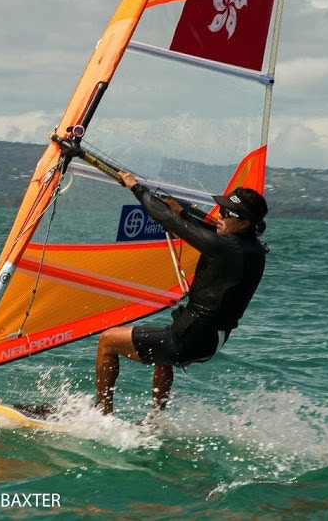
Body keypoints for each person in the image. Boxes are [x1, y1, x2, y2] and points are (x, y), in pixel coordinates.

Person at [94, 174, 269, 415]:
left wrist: (136, 188)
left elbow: (166, 219)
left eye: (229, 214)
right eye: (222, 209)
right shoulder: (255, 249)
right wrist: (183, 212)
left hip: (189, 338)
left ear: (244, 224)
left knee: (107, 341)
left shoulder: (224, 247)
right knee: (163, 356)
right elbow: (207, 228)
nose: (220, 215)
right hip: (212, 340)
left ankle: (102, 414)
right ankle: (155, 419)